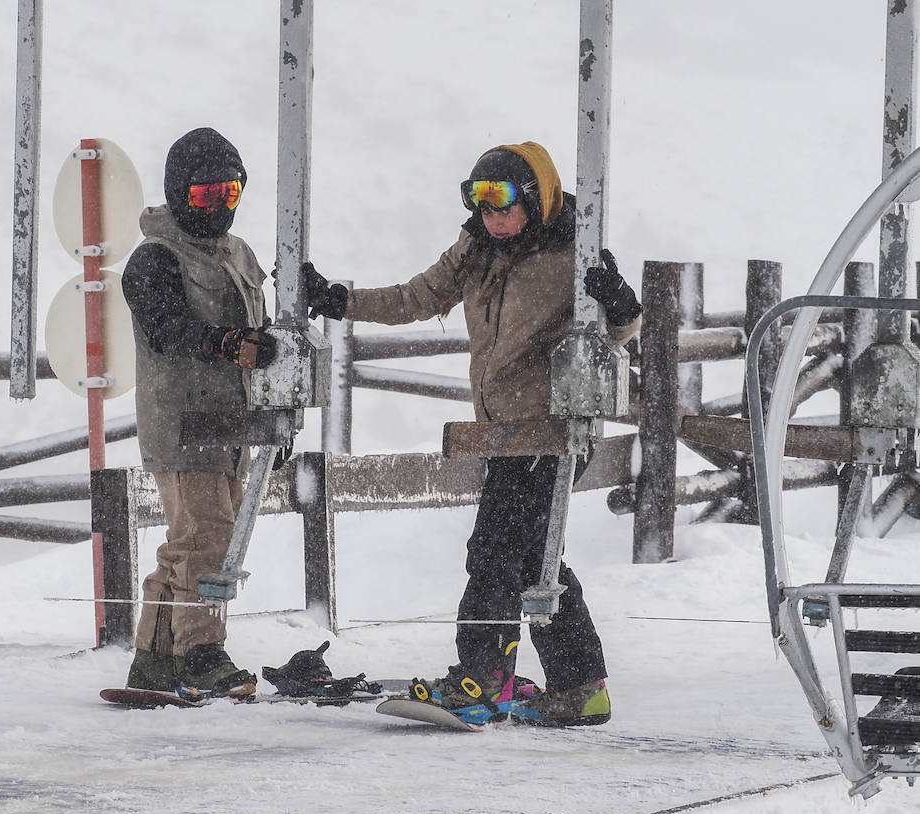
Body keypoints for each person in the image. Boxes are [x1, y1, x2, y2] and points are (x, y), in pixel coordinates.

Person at [301, 141, 643, 727]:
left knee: (495, 554)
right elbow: (415, 297)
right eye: (478, 200)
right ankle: (580, 687)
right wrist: (339, 301)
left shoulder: (574, 251)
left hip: (552, 433)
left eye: (501, 200)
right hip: (501, 434)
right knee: (534, 559)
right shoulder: (474, 249)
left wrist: (618, 302)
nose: (490, 214)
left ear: (534, 199)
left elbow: (623, 330)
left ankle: (484, 680)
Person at [120, 127, 276, 699]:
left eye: (231, 194)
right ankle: (199, 650)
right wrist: (230, 343)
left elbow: (261, 332)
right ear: (180, 194)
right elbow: (167, 330)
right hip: (183, 424)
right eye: (207, 196)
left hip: (233, 424)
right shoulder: (155, 259)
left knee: (190, 540)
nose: (220, 208)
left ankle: (155, 655)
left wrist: (270, 403)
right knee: (208, 537)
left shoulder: (238, 254)